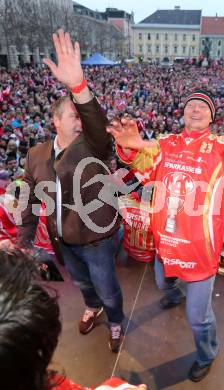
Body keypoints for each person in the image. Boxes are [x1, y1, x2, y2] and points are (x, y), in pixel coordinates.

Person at [110, 89, 224, 381]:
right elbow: (140, 162)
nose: (196, 109)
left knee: (198, 319)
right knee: (164, 283)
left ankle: (206, 354)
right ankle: (174, 294)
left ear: (212, 117)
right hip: (166, 243)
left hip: (201, 249)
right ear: (183, 112)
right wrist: (128, 149)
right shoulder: (165, 143)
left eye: (203, 106)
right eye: (191, 105)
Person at [16, 30, 124, 352]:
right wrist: (24, 239)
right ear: (55, 121)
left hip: (97, 241)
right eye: (72, 117)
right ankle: (93, 308)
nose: (79, 122)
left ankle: (116, 321)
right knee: (82, 285)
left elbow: (96, 126)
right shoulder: (35, 155)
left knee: (107, 288)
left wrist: (79, 88)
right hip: (63, 240)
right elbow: (28, 197)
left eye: (81, 117)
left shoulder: (93, 145)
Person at [0, 250, 147, 390]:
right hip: (68, 238)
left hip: (93, 238)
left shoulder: (25, 376)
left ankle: (113, 321)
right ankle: (95, 307)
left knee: (104, 285)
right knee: (85, 281)